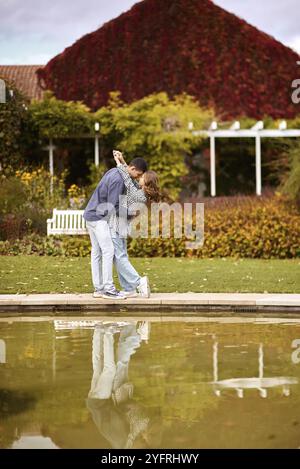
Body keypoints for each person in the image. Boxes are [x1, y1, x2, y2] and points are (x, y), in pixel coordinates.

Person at [83, 157, 149, 299]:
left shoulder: (114, 171)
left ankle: (99, 289)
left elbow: (125, 174)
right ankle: (108, 289)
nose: (138, 178)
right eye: (138, 175)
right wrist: (132, 214)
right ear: (132, 169)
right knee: (109, 251)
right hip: (99, 217)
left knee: (97, 252)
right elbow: (113, 207)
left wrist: (120, 161)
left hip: (90, 214)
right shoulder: (120, 180)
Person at [111, 150, 160, 298]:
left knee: (119, 256)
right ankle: (128, 288)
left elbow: (127, 178)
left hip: (118, 224)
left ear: (146, 183)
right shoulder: (141, 192)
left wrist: (119, 163)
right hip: (122, 225)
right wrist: (123, 161)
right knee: (121, 255)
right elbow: (130, 176)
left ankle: (138, 282)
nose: (139, 177)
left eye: (142, 177)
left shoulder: (139, 194)